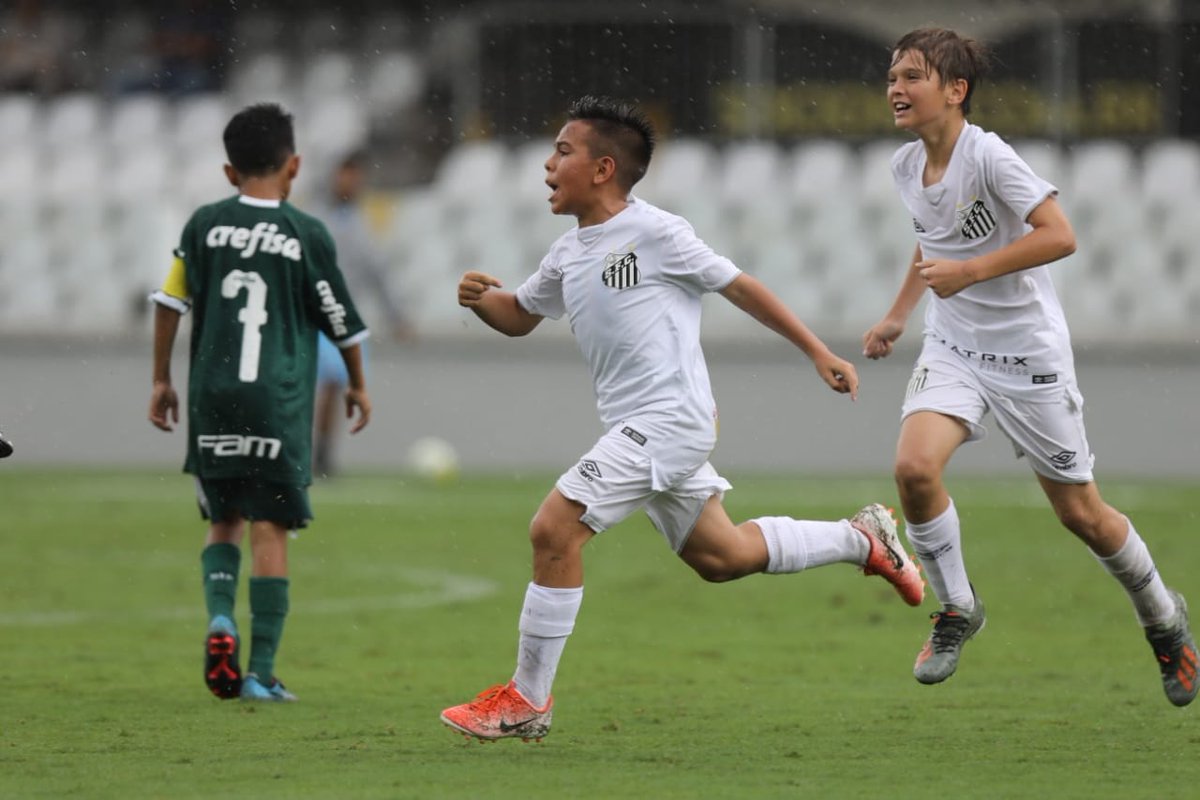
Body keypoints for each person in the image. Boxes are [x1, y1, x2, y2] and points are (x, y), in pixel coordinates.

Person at [439, 95, 925, 743]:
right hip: (642, 425)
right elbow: (521, 315)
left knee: (554, 529)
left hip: (669, 419)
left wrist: (817, 351)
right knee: (721, 556)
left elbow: (740, 286)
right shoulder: (567, 252)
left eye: (562, 151)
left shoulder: (657, 232)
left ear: (604, 167)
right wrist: (483, 302)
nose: (548, 165)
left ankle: (527, 699)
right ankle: (861, 539)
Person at [862, 27, 1197, 705]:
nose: (897, 88)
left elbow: (1060, 234)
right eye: (893, 76)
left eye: (913, 77)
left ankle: (1164, 622)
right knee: (914, 469)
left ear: (956, 91)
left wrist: (971, 271)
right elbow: (931, 246)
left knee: (1082, 515)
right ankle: (958, 607)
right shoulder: (905, 167)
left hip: (1027, 355)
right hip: (953, 344)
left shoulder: (989, 156)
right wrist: (901, 313)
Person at [148, 103, 372, 703]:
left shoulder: (203, 225)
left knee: (223, 519)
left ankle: (220, 618)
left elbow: (169, 302)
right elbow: (342, 322)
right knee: (271, 528)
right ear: (294, 166)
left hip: (215, 396)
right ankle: (262, 673)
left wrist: (160, 380)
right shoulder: (305, 233)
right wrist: (357, 383)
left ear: (229, 172)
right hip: (279, 399)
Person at [305, 150, 412, 478]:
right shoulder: (317, 219)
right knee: (321, 386)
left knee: (337, 386)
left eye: (356, 175)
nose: (351, 181)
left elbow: (376, 274)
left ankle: (321, 455)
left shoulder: (362, 223)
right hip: (315, 316)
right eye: (346, 174)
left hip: (347, 318)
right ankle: (309, 454)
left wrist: (396, 316)